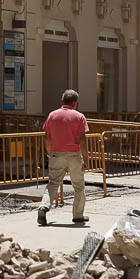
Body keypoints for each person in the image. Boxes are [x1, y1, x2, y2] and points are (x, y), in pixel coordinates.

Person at [38, 90, 89, 226]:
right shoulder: (79, 117)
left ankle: (43, 207)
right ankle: (78, 215)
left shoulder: (52, 115)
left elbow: (47, 136)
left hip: (56, 154)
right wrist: (86, 158)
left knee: (53, 183)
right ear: (74, 102)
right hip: (74, 155)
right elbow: (82, 139)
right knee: (78, 186)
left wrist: (50, 152)